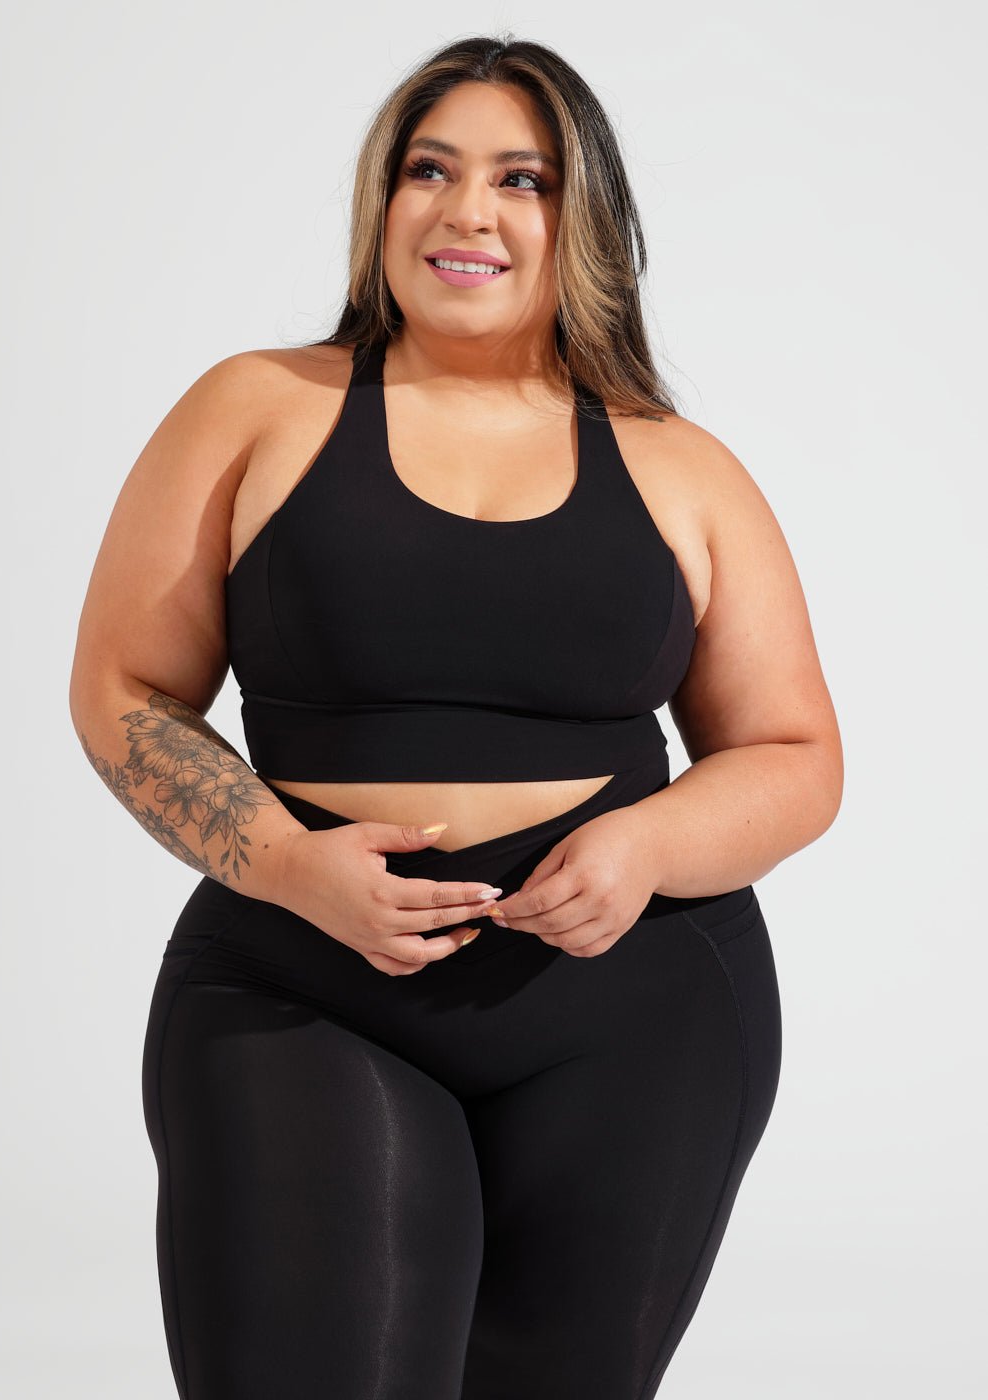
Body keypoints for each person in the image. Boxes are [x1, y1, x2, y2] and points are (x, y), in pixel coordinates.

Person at [68, 32, 843, 1400]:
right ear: (384, 201)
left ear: (582, 220)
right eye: (428, 170)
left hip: (637, 1012)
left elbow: (794, 755)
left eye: (520, 179)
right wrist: (286, 864)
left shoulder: (681, 468)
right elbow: (125, 689)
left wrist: (647, 848)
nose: (466, 210)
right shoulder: (259, 406)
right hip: (298, 982)